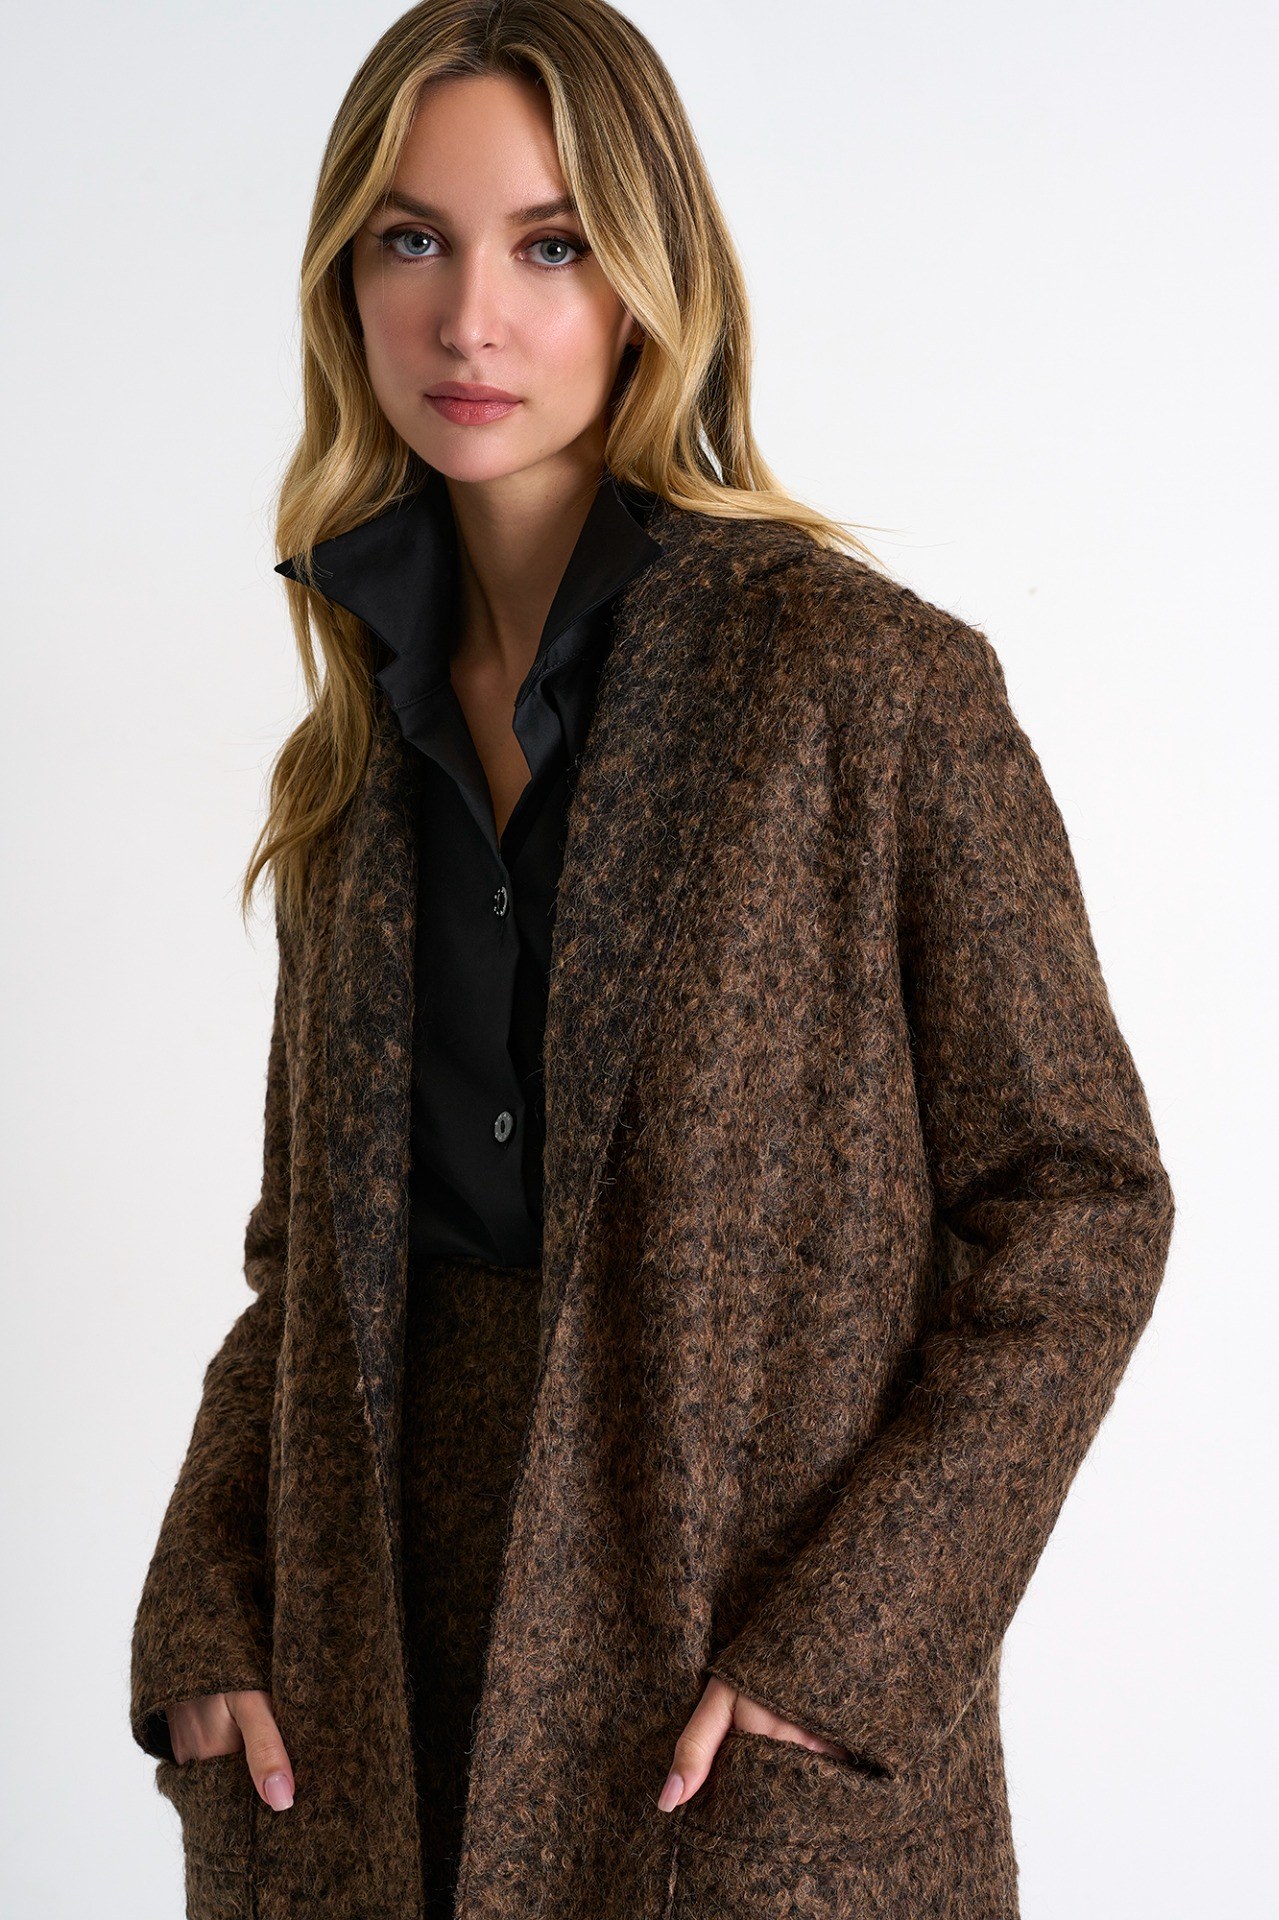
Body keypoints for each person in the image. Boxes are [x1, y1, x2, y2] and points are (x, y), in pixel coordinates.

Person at [128, 4, 1176, 1918]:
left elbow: (1082, 1200)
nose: (470, 319)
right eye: (411, 238)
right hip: (369, 1702)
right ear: (344, 279)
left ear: (648, 281)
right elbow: (304, 1271)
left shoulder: (865, 687)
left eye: (550, 245)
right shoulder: (352, 758)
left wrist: (846, 1650)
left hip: (723, 1697)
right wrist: (211, 1601)